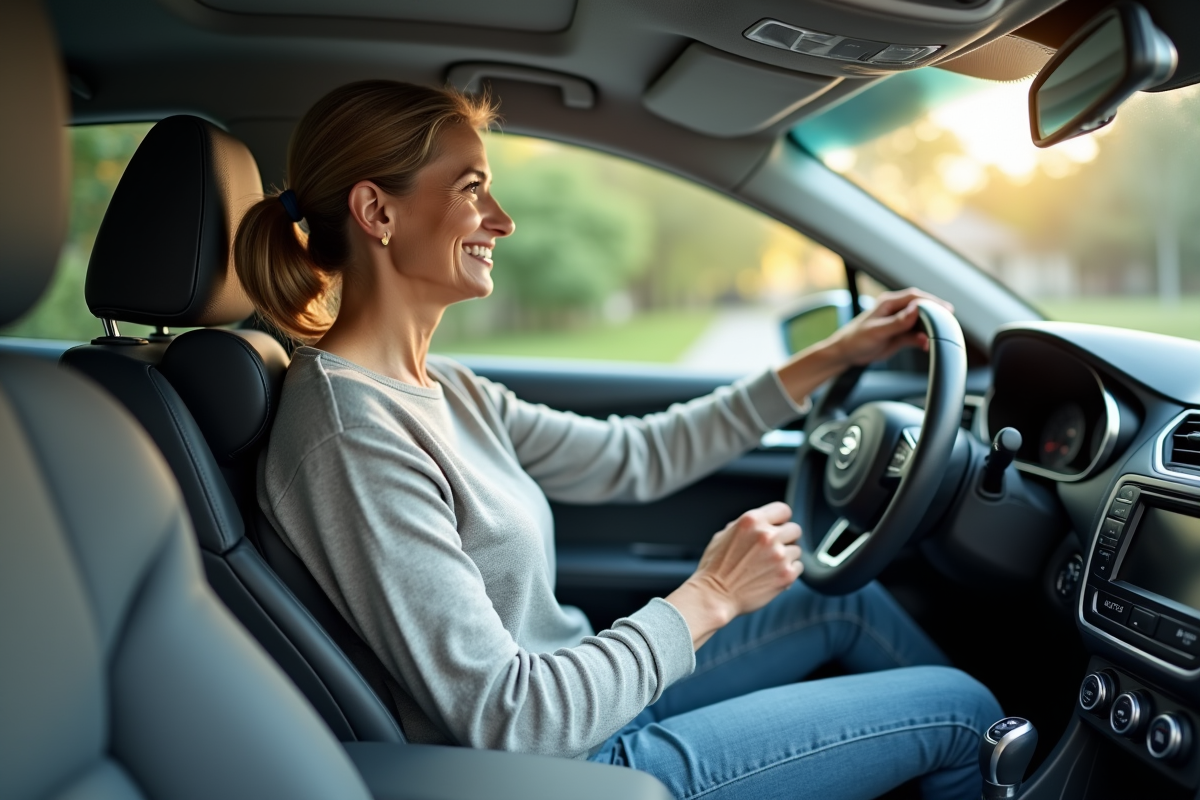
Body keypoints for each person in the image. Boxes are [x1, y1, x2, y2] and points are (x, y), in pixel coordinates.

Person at [235, 80, 1002, 800]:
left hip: (595, 702)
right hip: (575, 767)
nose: (502, 219)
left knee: (846, 599)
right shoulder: (351, 435)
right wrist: (710, 596)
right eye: (472, 189)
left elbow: (635, 456)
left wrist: (831, 357)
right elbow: (510, 720)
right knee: (965, 714)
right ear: (377, 212)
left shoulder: (448, 389)